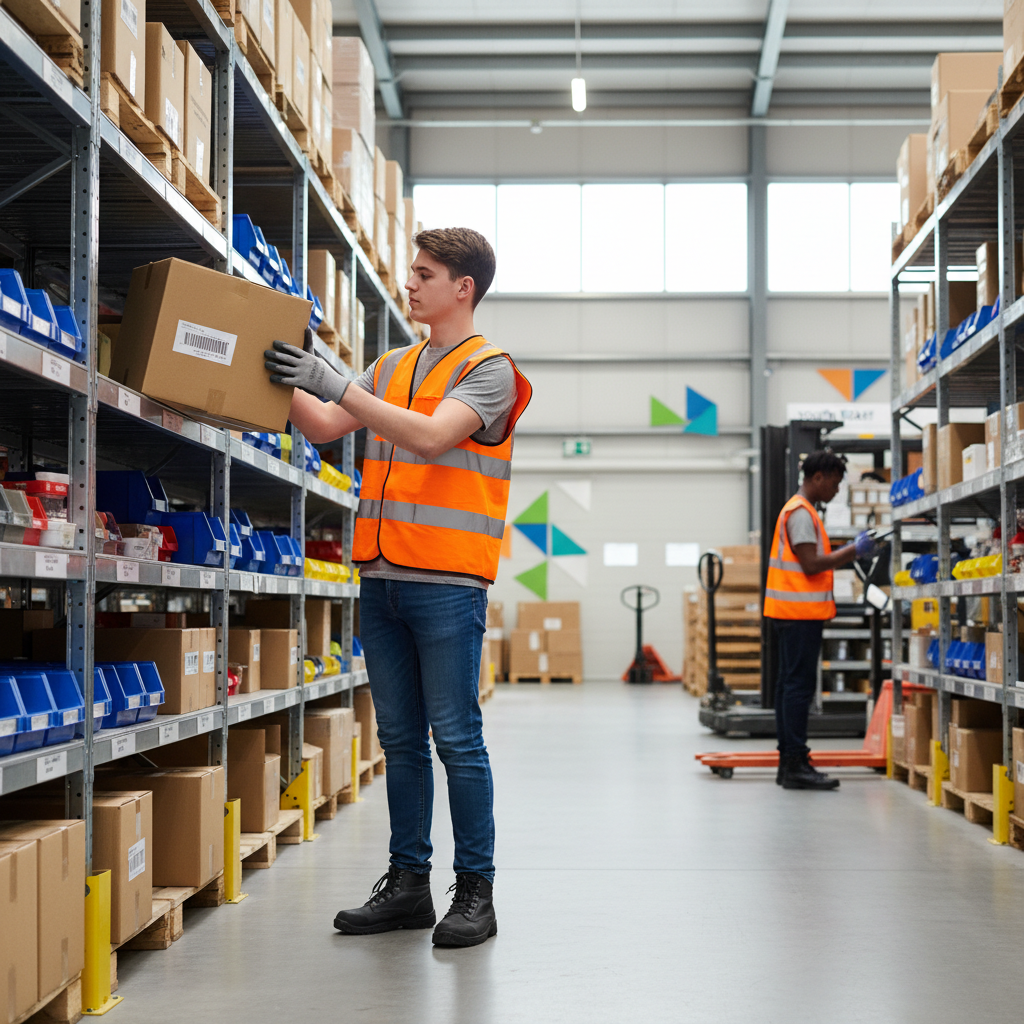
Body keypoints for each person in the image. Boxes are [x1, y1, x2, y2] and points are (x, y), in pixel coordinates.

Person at [263, 227, 532, 947]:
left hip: (446, 581)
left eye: (423, 274)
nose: (410, 284)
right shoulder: (392, 363)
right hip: (378, 578)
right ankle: (409, 884)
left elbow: (429, 438)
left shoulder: (491, 370)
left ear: (462, 288)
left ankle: (475, 890)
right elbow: (323, 427)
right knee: (401, 741)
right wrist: (285, 368)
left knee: (458, 740)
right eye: (412, 273)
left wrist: (335, 379)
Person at [763, 449, 877, 790]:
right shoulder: (800, 513)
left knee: (788, 687)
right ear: (818, 478)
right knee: (798, 689)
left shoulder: (800, 511)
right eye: (836, 482)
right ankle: (796, 763)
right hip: (799, 614)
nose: (837, 490)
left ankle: (790, 763)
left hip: (792, 613)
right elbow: (811, 564)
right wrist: (853, 551)